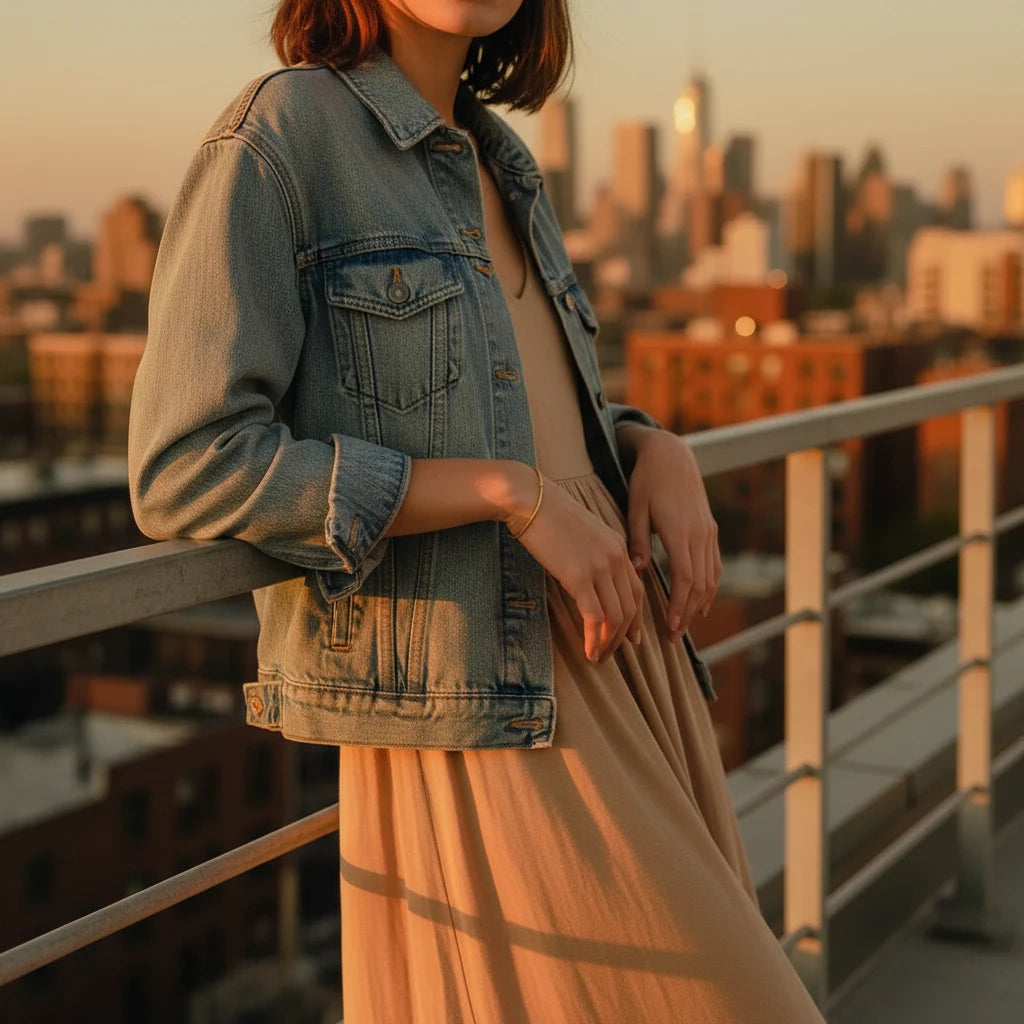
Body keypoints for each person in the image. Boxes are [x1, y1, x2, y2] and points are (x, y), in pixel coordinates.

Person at [127, 1, 827, 1020]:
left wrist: (646, 445)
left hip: (624, 673)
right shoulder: (278, 137)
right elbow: (186, 464)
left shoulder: (497, 158)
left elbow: (516, 404)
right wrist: (502, 495)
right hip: (485, 708)